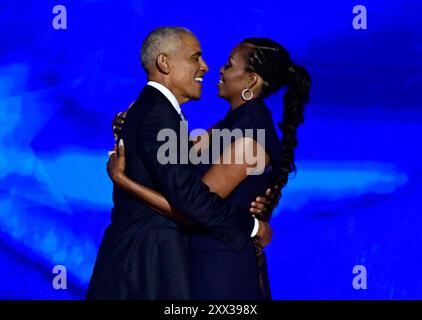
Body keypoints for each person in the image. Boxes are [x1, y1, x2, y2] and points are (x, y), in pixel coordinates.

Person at [107, 37, 311, 299]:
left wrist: (124, 182)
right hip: (199, 257)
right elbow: (178, 159)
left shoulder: (250, 136)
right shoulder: (232, 124)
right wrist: (136, 125)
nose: (219, 70)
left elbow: (193, 208)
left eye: (229, 65)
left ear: (250, 80)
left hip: (220, 267)